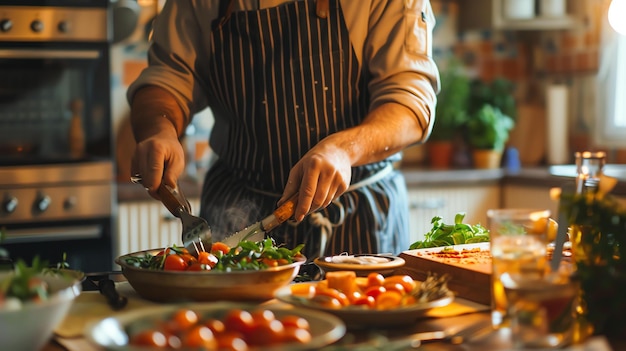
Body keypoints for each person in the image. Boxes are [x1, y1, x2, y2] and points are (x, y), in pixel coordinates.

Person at [128, 0, 440, 263]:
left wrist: (344, 149)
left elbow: (410, 103)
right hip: (236, 205)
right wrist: (159, 130)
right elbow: (166, 78)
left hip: (359, 219)